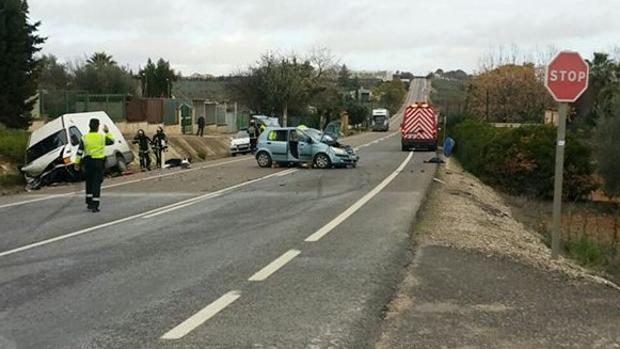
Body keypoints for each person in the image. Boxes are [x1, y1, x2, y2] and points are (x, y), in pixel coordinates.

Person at [74, 118, 113, 213]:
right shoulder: (101, 137)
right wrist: (107, 132)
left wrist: (76, 163)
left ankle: (89, 203)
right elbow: (111, 141)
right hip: (98, 162)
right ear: (97, 126)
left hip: (88, 162)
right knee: (96, 183)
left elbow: (79, 151)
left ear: (89, 126)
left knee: (89, 182)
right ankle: (95, 205)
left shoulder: (84, 137)